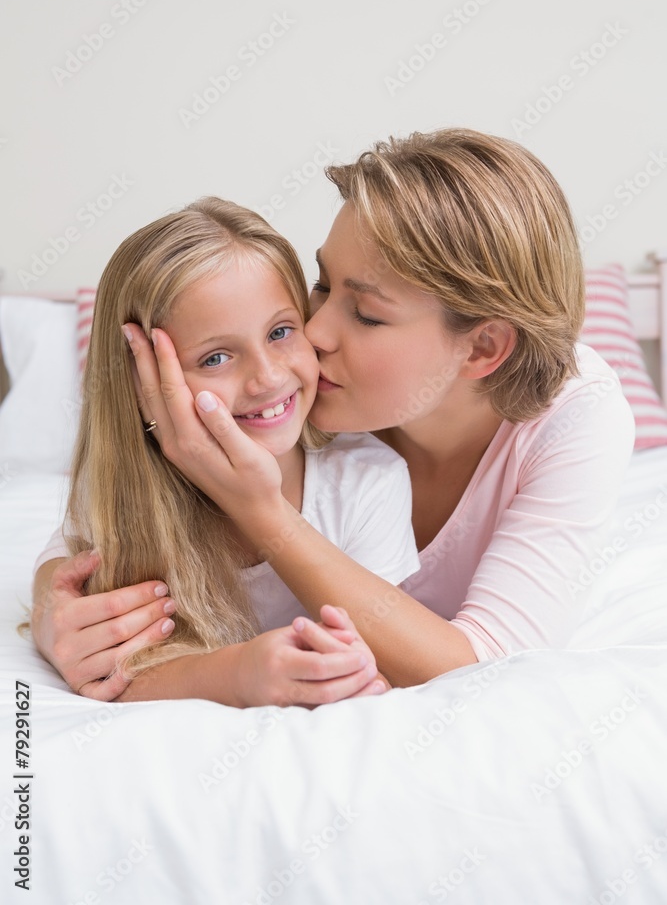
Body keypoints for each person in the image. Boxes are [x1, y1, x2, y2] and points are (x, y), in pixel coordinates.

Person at [31, 127, 635, 697]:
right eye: (320, 285)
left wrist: (261, 511)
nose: (313, 333)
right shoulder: (278, 396)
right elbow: (114, 511)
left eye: (367, 315)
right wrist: (56, 604)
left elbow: (491, 671)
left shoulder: (578, 415)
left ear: (482, 347)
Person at [30, 197, 421, 704]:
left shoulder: (370, 481)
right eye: (216, 357)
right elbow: (103, 662)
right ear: (144, 381)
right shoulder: (121, 493)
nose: (268, 377)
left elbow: (384, 669)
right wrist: (237, 673)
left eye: (281, 331)